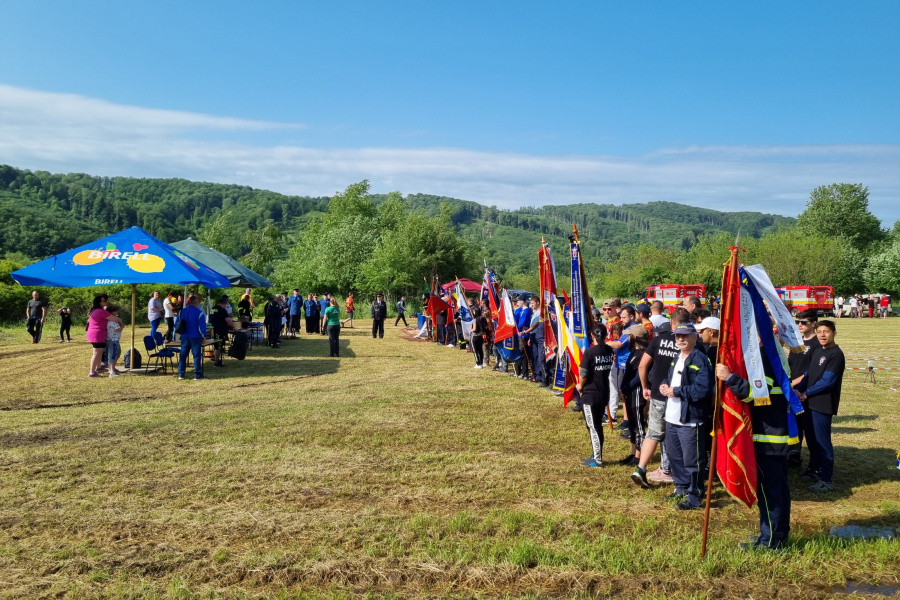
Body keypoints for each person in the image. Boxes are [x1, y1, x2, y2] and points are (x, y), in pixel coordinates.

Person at [717, 344, 796, 550]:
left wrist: (730, 378)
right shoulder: (771, 351)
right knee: (778, 490)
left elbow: (759, 394)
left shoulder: (765, 354)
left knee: (769, 492)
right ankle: (778, 535)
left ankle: (770, 541)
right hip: (774, 434)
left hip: (768, 437)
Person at [631, 307, 691, 488]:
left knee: (655, 432)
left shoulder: (658, 340)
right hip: (680, 395)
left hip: (658, 393)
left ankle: (641, 467)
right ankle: (671, 471)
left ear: (671, 322)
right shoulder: (689, 342)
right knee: (676, 435)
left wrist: (644, 387)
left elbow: (643, 366)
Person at [658, 322, 713, 510]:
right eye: (677, 336)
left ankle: (695, 495)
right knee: (675, 456)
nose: (680, 339)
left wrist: (677, 391)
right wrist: (665, 385)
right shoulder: (676, 357)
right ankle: (680, 487)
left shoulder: (700, 360)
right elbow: (670, 378)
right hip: (672, 417)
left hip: (691, 418)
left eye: (685, 336)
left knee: (693, 459)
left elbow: (703, 390)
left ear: (694, 337)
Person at [794, 320, 845, 493]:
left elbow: (827, 381)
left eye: (826, 332)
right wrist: (798, 389)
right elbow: (809, 374)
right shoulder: (817, 351)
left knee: (823, 442)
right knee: (812, 440)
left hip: (822, 404)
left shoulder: (836, 354)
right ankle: (814, 469)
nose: (822, 335)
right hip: (809, 402)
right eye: (820, 332)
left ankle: (826, 478)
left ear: (834, 334)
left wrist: (806, 393)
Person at [576, 322, 615, 467]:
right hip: (603, 393)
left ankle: (597, 459)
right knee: (597, 426)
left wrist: (580, 385)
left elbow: (584, 373)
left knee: (593, 427)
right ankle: (595, 454)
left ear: (592, 335)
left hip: (590, 395)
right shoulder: (609, 351)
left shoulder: (590, 352)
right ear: (605, 336)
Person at [787, 310, 820, 469]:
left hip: (807, 393)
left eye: (804, 322)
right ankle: (794, 456)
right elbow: (790, 364)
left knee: (811, 430)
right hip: (793, 392)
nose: (800, 325)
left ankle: (815, 465)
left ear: (814, 323)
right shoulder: (796, 341)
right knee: (795, 426)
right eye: (797, 322)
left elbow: (812, 370)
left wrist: (795, 384)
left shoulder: (817, 343)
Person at [620, 324, 650, 466]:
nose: (628, 338)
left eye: (630, 335)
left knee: (638, 425)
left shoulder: (644, 354)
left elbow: (638, 377)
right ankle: (633, 453)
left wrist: (625, 388)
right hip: (629, 392)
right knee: (632, 425)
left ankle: (639, 456)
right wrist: (623, 389)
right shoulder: (633, 353)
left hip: (637, 392)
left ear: (635, 338)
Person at [86, 295, 121, 377]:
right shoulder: (100, 311)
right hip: (97, 334)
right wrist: (119, 320)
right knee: (96, 353)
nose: (106, 302)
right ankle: (92, 372)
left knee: (100, 352)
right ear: (99, 302)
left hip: (96, 333)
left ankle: (98, 367)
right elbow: (115, 319)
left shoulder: (94, 310)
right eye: (104, 301)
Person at [177, 295, 207, 380]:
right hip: (196, 337)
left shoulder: (181, 312)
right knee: (196, 356)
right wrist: (204, 336)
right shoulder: (199, 313)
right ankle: (197, 374)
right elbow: (202, 327)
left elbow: (177, 324)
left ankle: (181, 374)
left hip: (184, 336)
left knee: (183, 355)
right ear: (196, 303)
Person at [209, 295, 236, 368]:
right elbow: (228, 320)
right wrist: (234, 327)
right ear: (224, 303)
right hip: (219, 330)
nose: (226, 306)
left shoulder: (213, 309)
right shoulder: (222, 310)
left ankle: (216, 359)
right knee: (219, 346)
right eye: (226, 304)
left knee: (216, 346)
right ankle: (216, 362)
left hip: (212, 330)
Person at [105, 305, 124, 377]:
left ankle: (113, 367)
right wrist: (121, 322)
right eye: (114, 311)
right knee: (112, 354)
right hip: (112, 340)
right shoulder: (111, 321)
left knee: (117, 353)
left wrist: (120, 322)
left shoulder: (115, 320)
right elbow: (119, 329)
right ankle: (111, 371)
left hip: (115, 339)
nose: (116, 312)